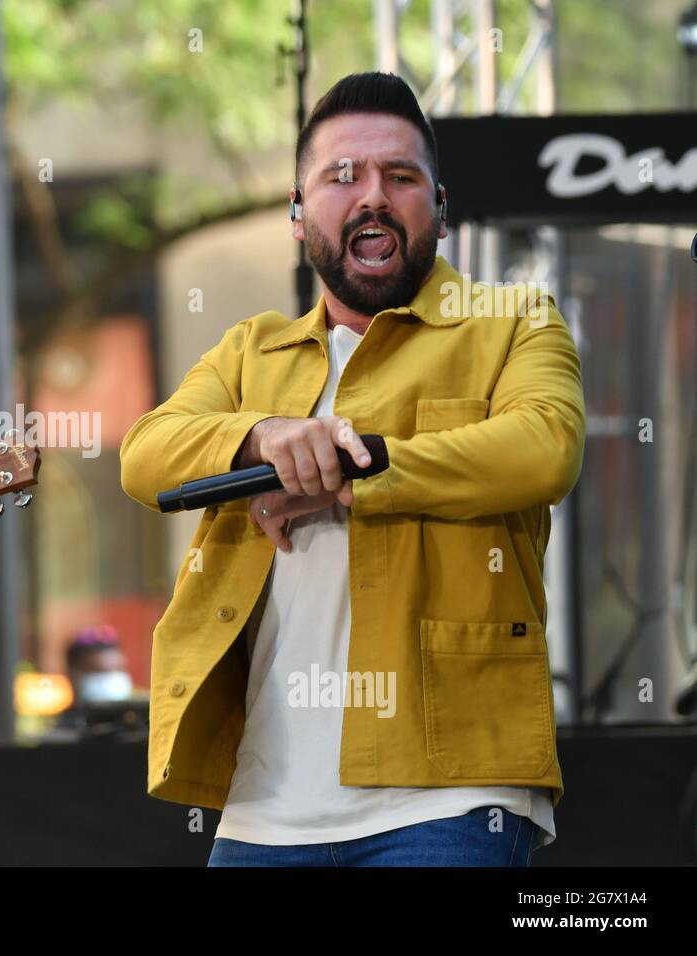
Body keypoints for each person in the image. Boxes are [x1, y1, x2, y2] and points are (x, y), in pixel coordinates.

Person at [120, 72, 585, 867]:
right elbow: (146, 456)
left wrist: (353, 467)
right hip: (263, 807)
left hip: (454, 792)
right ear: (299, 217)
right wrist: (265, 439)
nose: (372, 195)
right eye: (343, 176)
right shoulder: (249, 350)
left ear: (439, 208)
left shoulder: (515, 321)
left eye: (400, 177)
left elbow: (543, 448)